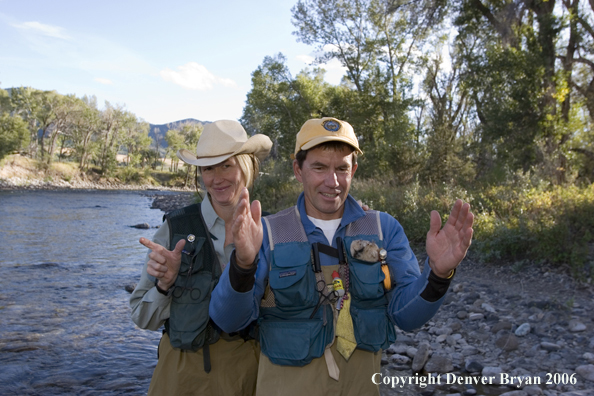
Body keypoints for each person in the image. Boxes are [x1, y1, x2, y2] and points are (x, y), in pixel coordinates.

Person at [209, 117, 474, 395]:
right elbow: (229, 321)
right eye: (319, 167)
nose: (332, 181)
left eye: (342, 169)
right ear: (298, 170)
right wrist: (243, 264)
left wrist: (438, 274)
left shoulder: (384, 229)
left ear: (354, 170)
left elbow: (405, 315)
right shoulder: (268, 233)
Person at [129, 120, 272, 396]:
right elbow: (142, 317)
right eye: (208, 168)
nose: (217, 178)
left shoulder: (271, 232)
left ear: (246, 166)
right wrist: (164, 285)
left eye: (226, 165)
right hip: (179, 380)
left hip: (247, 379)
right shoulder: (175, 230)